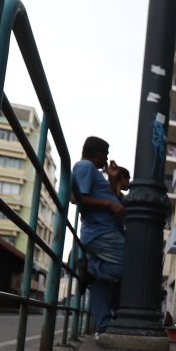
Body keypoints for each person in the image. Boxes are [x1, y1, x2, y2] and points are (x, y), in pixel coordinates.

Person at [72, 136, 125, 333]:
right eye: (106, 155)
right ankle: (92, 269)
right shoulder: (85, 167)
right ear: (99, 154)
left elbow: (96, 195)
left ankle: (104, 326)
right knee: (131, 268)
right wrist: (110, 204)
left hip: (100, 231)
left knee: (100, 284)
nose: (107, 160)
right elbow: (78, 198)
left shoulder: (92, 171)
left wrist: (111, 181)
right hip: (101, 233)